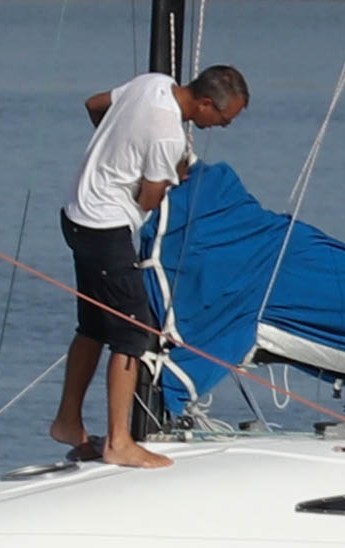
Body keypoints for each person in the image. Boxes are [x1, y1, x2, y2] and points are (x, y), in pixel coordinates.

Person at [53, 64, 249, 469]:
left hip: (77, 212)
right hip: (105, 226)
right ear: (206, 103)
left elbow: (94, 106)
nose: (222, 128)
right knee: (135, 332)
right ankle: (119, 442)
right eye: (223, 120)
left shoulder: (152, 83)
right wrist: (168, 173)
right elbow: (149, 200)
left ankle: (68, 423)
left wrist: (116, 150)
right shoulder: (167, 135)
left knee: (93, 324)